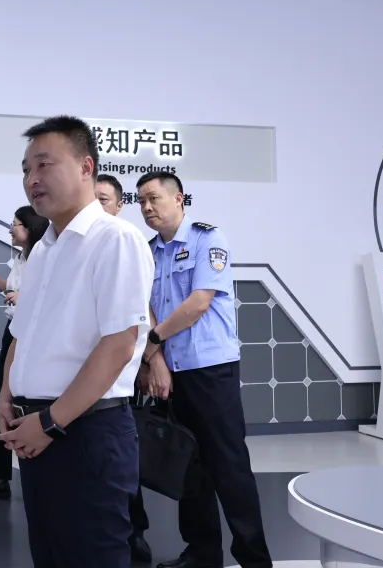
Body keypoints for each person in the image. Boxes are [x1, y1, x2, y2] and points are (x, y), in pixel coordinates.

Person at [0, 115, 154, 568]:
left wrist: (50, 422)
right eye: (26, 169)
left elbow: (119, 344)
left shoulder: (115, 239)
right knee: (50, 554)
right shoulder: (43, 249)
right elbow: (21, 335)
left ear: (86, 167)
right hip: (35, 427)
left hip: (84, 431)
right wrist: (5, 395)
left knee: (92, 555)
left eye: (44, 165)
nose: (32, 179)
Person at [136, 171, 272, 568]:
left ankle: (254, 559)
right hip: (172, 371)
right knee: (189, 468)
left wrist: (153, 342)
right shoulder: (148, 251)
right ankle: (202, 552)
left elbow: (198, 303)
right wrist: (155, 360)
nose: (147, 207)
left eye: (154, 198)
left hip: (210, 371)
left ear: (179, 199)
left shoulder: (207, 240)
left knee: (229, 466)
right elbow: (145, 306)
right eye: (141, 201)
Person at [0, 205, 48, 501]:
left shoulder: (45, 256)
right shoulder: (20, 257)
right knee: (1, 401)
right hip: (13, 330)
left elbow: (47, 296)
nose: (10, 229)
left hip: (34, 336)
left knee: (27, 402)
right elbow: (10, 290)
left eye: (15, 224)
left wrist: (23, 297)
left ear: (30, 228)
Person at [98, 173, 152, 563]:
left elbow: (140, 316)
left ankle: (136, 534)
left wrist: (152, 359)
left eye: (103, 199)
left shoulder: (124, 242)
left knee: (123, 465)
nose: (95, 205)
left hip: (119, 380)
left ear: (119, 206)